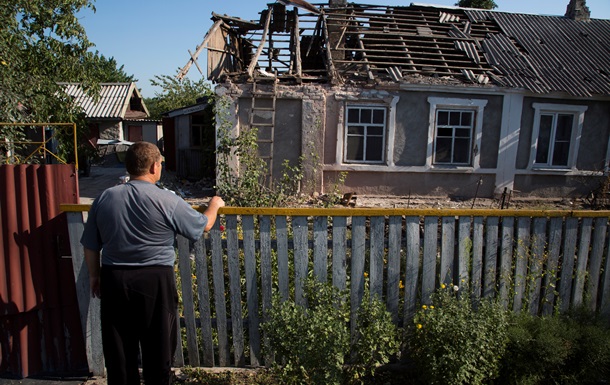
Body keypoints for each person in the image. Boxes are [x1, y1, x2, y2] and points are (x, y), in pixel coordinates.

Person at [80, 141, 224, 385]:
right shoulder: (166, 199)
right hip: (154, 282)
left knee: (119, 352)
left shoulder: (105, 198)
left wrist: (95, 276)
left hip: (114, 279)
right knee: (158, 350)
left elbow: (91, 244)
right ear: (155, 167)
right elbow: (203, 225)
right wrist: (214, 204)